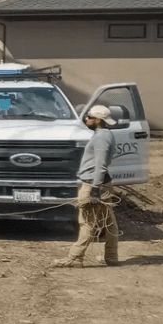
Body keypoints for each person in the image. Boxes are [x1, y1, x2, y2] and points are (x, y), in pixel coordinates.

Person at [52, 104, 119, 268]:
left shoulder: (102, 137)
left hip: (94, 184)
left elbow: (101, 165)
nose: (86, 119)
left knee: (87, 222)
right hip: (101, 183)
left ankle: (75, 258)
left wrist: (94, 190)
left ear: (98, 120)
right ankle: (111, 257)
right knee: (109, 223)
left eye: (90, 117)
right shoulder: (103, 134)